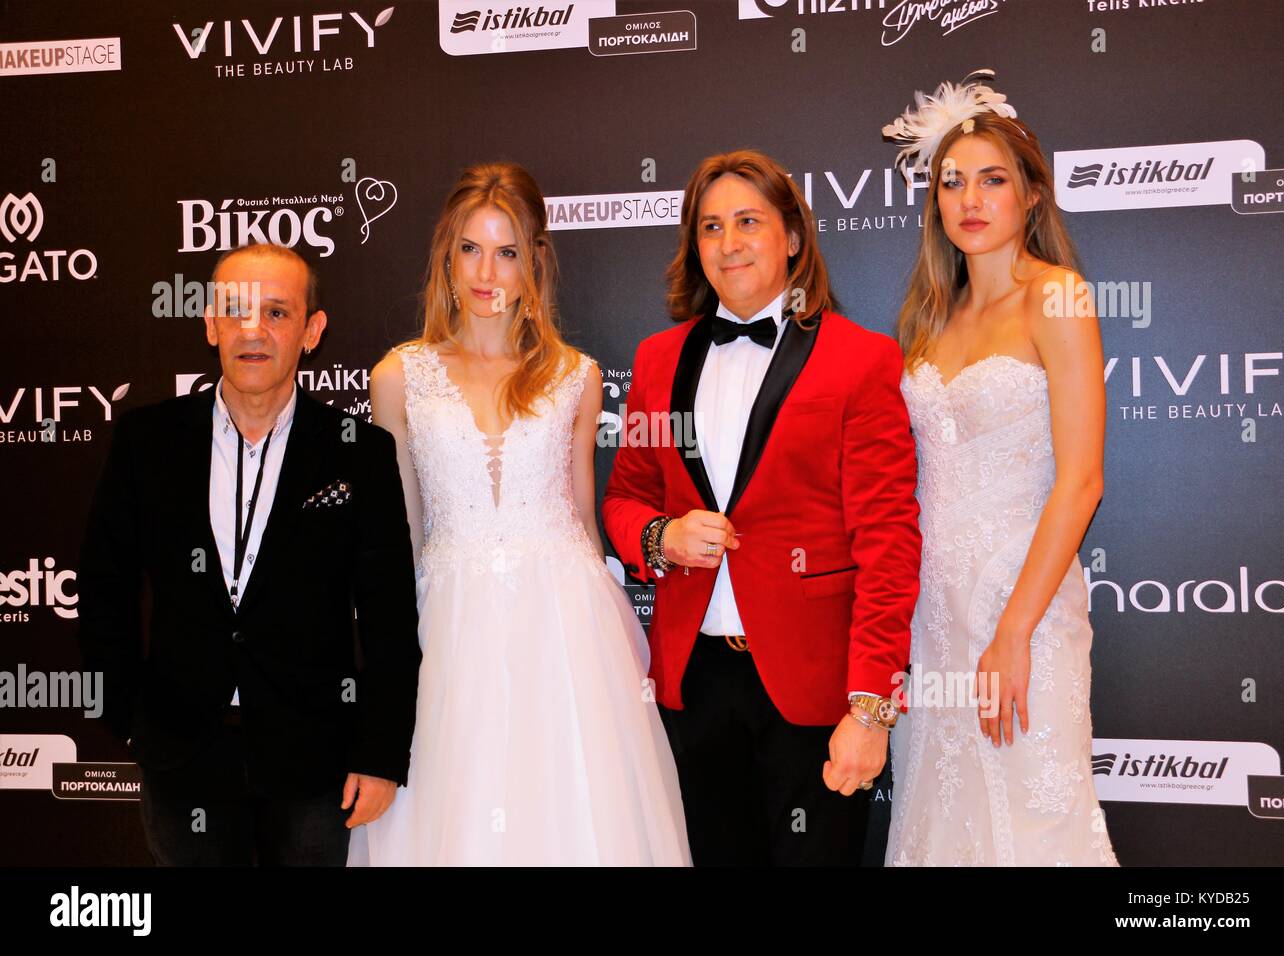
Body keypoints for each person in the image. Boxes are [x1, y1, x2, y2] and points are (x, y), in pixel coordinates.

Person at [347, 161, 691, 866]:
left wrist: (621, 648)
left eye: (507, 251)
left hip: (566, 635)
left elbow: (585, 519)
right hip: (447, 629)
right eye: (470, 248)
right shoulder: (397, 377)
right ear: (446, 255)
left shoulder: (577, 376)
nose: (487, 271)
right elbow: (404, 533)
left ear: (534, 261)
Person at [601, 149, 922, 866]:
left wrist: (871, 707)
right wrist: (661, 536)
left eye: (748, 221)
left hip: (815, 692)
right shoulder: (657, 359)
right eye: (710, 227)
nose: (728, 242)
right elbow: (623, 498)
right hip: (694, 686)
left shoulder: (859, 359)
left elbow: (888, 542)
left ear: (794, 238)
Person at [78, 242, 422, 865]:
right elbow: (104, 589)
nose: (253, 331)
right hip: (182, 757)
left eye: (277, 313)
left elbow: (391, 619)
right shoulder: (146, 441)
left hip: (315, 763)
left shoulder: (358, 453)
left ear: (312, 331)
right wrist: (127, 716)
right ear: (209, 323)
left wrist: (379, 755)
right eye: (234, 311)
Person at [880, 70, 1119, 865]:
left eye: (992, 180)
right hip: (934, 619)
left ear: (1030, 198)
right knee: (941, 819)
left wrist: (1014, 630)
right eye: (952, 182)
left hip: (1028, 609)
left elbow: (1082, 479)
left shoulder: (1057, 297)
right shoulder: (928, 319)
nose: (970, 198)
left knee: (1035, 821)